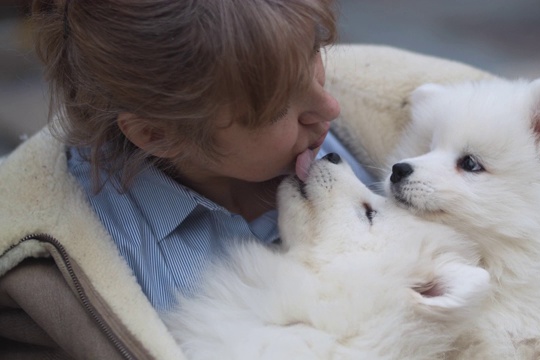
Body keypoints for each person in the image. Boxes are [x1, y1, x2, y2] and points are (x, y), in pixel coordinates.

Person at [0, 0, 376, 358]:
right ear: (156, 135)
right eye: (277, 109)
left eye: (313, 50)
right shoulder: (90, 263)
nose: (329, 107)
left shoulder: (376, 116)